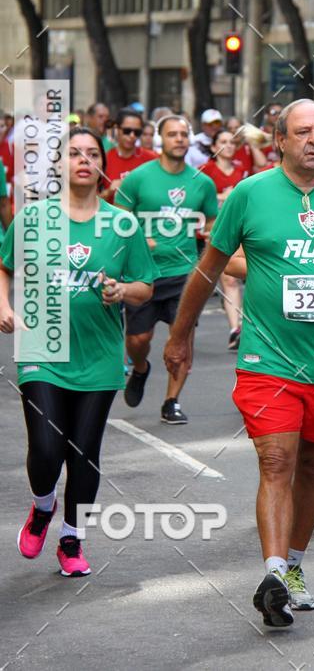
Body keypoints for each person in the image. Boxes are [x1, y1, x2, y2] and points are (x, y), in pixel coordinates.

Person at [163, 99, 314, 626]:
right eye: (303, 132)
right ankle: (274, 572)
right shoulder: (250, 195)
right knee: (276, 460)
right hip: (267, 357)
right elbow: (208, 271)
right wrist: (180, 335)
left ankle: (294, 566)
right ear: (281, 140)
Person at [0, 127, 154, 575]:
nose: (83, 160)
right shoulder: (33, 219)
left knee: (84, 451)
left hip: (99, 353)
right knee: (47, 448)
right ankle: (43, 506)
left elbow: (145, 288)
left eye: (92, 153)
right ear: (60, 166)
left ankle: (72, 538)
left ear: (102, 165)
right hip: (42, 349)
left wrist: (122, 289)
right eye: (73, 153)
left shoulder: (123, 224)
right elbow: (5, 266)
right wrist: (4, 304)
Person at [116, 115, 218, 423]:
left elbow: (211, 224)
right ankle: (140, 368)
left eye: (184, 134)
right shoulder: (138, 178)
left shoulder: (203, 183)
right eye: (172, 134)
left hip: (184, 275)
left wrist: (209, 245)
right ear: (161, 140)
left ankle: (172, 400)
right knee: (138, 340)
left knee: (182, 339)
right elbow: (116, 219)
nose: (180, 139)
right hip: (144, 275)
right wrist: (136, 237)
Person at [201, 128, 247, 349]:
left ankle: (235, 329)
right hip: (214, 230)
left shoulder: (241, 171)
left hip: (237, 229)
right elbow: (198, 199)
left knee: (231, 278)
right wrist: (222, 196)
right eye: (223, 141)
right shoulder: (206, 171)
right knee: (209, 279)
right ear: (213, 146)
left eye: (232, 142)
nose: (229, 146)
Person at [101, 109, 157, 203]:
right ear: (117, 129)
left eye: (137, 132)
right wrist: (108, 192)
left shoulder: (152, 159)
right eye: (127, 131)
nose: (132, 136)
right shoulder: (104, 159)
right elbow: (89, 200)